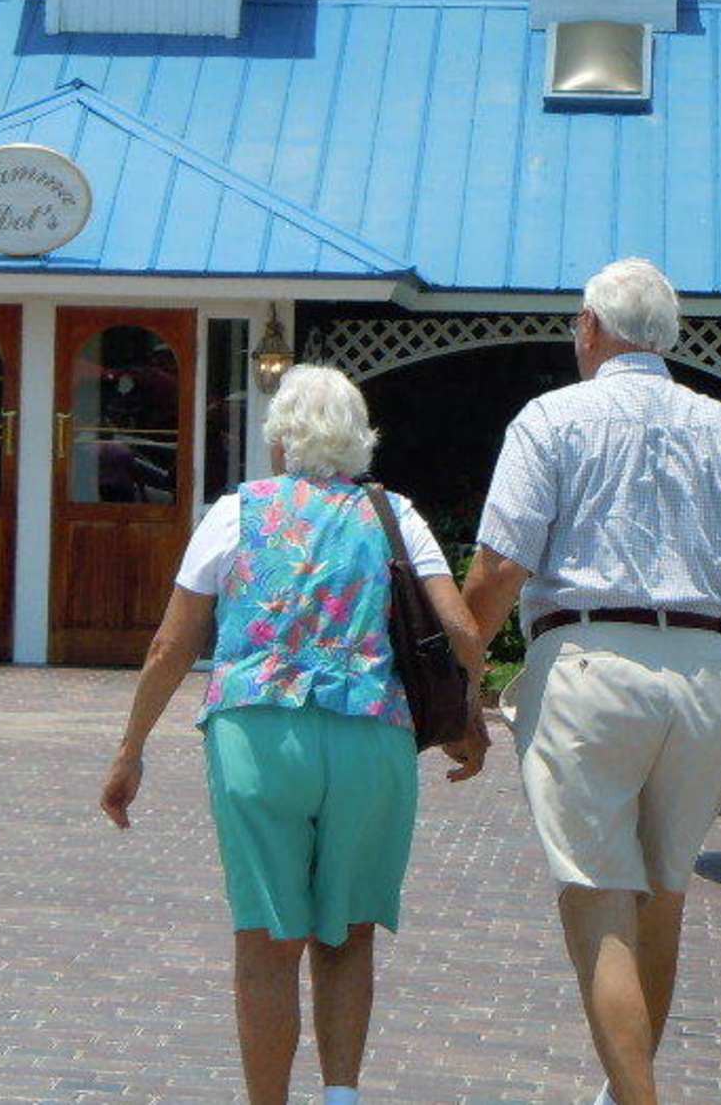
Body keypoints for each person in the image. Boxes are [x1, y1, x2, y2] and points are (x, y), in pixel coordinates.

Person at [459, 259, 721, 1105]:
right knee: (663, 896)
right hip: (706, 673)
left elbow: (501, 566)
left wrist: (458, 676)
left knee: (598, 898)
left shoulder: (551, 420)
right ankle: (623, 1095)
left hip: (588, 664)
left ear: (589, 326)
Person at [99, 365, 486, 1105]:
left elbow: (171, 645)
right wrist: (465, 720)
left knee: (268, 940)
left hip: (258, 733)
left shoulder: (237, 512)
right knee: (347, 933)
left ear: (280, 439)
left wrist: (131, 750)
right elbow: (463, 632)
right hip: (370, 733)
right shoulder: (394, 514)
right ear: (360, 439)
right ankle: (341, 1096)